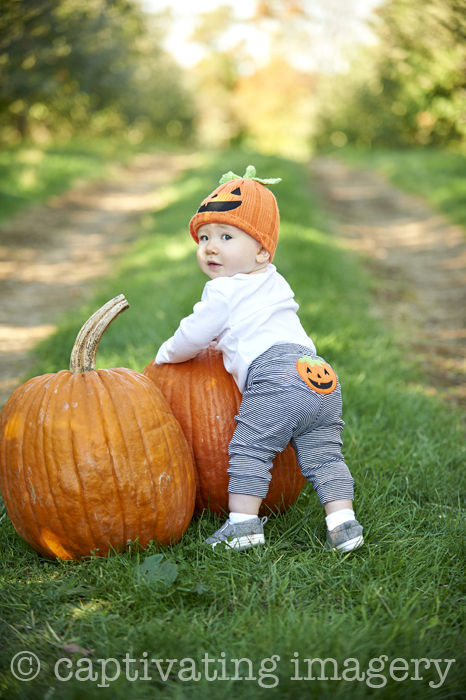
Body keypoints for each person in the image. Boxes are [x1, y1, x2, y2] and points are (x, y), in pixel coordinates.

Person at [154, 166, 363, 553]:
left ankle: (244, 525)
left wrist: (165, 356)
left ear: (263, 250)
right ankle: (343, 522)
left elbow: (194, 334)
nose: (210, 247)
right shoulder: (273, 279)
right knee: (323, 454)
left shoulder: (223, 291)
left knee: (249, 448)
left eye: (226, 236)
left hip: (276, 377)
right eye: (203, 237)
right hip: (319, 374)